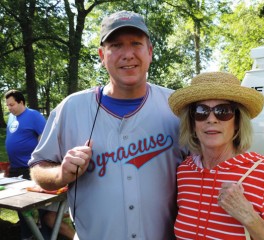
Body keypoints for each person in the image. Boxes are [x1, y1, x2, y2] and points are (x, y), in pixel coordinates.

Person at [28, 10, 185, 240]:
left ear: (150, 52)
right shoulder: (71, 108)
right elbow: (38, 167)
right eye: (116, 45)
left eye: (135, 43)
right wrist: (60, 174)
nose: (128, 54)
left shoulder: (177, 107)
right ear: (102, 55)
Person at [168, 72, 264, 240]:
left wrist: (251, 218)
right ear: (192, 122)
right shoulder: (184, 172)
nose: (211, 119)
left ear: (238, 121)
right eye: (201, 111)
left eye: (223, 111)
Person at [5, 89, 46, 240]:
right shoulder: (11, 117)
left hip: (31, 168)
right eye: (8, 105)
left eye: (12, 105)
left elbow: (45, 137)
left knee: (39, 202)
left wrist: (41, 159)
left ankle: (44, 232)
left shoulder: (34, 115)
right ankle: (26, 233)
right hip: (15, 168)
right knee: (18, 202)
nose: (9, 108)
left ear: (21, 102)